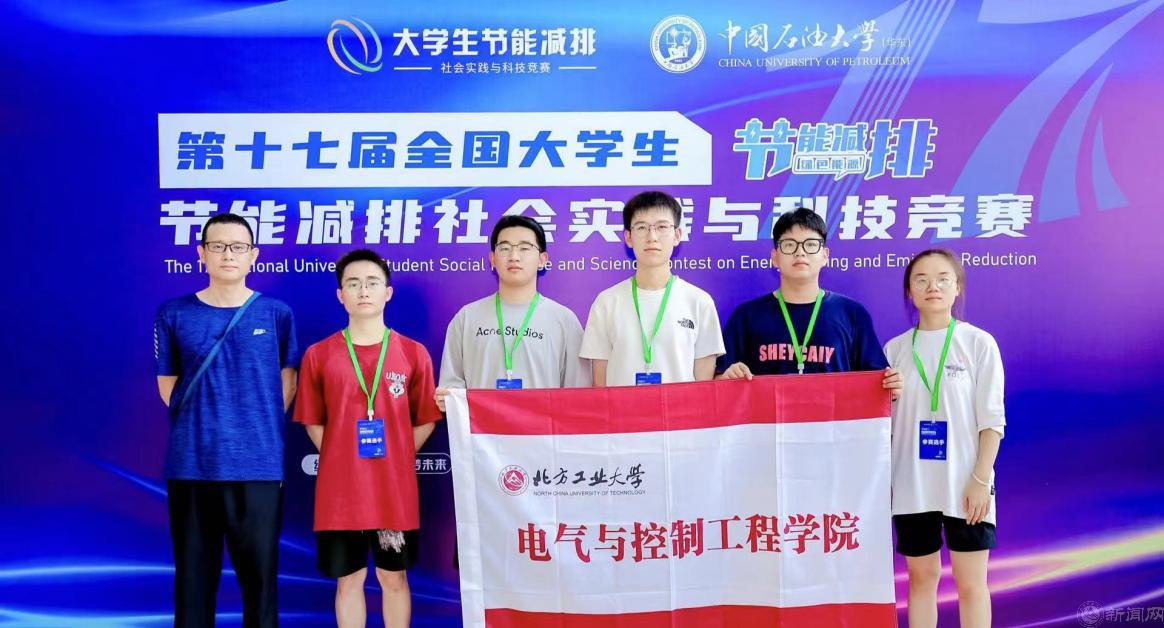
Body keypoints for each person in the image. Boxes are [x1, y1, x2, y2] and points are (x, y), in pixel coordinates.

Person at [154, 212, 299, 628]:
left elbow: (287, 383)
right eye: (217, 246)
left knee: (261, 587)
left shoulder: (276, 313)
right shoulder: (173, 313)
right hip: (192, 467)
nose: (228, 255)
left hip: (258, 468)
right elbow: (168, 387)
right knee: (193, 586)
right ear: (201, 253)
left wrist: (252, 429)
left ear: (254, 254)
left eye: (238, 247)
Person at [293, 249, 442, 628]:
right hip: (340, 494)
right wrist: (342, 457)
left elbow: (427, 418)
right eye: (354, 284)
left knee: (394, 578)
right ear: (340, 294)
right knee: (349, 580)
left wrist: (398, 455)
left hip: (394, 490)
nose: (363, 291)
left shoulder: (413, 353)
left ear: (387, 293)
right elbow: (312, 421)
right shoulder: (319, 355)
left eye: (372, 283)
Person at [884, 248, 1004, 628]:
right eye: (921, 280)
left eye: (942, 279)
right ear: (909, 291)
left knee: (971, 585)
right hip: (912, 485)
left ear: (957, 288)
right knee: (920, 580)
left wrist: (980, 479)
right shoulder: (894, 351)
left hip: (966, 485)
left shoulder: (978, 343)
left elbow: (992, 422)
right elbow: (882, 425)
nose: (932, 287)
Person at [716, 207, 902, 396]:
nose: (800, 252)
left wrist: (891, 385)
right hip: (767, 416)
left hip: (834, 416)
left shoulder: (851, 314)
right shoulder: (747, 316)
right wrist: (726, 378)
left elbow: (879, 383)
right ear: (775, 257)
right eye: (789, 245)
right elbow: (719, 382)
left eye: (811, 244)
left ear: (825, 255)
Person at [435, 214, 590, 414]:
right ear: (492, 259)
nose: (514, 256)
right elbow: (452, 387)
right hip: (482, 433)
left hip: (541, 432)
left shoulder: (563, 320)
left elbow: (578, 395)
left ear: (542, 260)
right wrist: (447, 398)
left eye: (524, 248)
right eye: (505, 248)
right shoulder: (467, 318)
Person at [580, 190, 724, 386]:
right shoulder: (606, 302)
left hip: (680, 407)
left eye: (662, 227)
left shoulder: (699, 301)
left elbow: (703, 386)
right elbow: (600, 385)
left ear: (677, 235)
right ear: (628, 237)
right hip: (622, 407)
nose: (652, 236)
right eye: (642, 227)